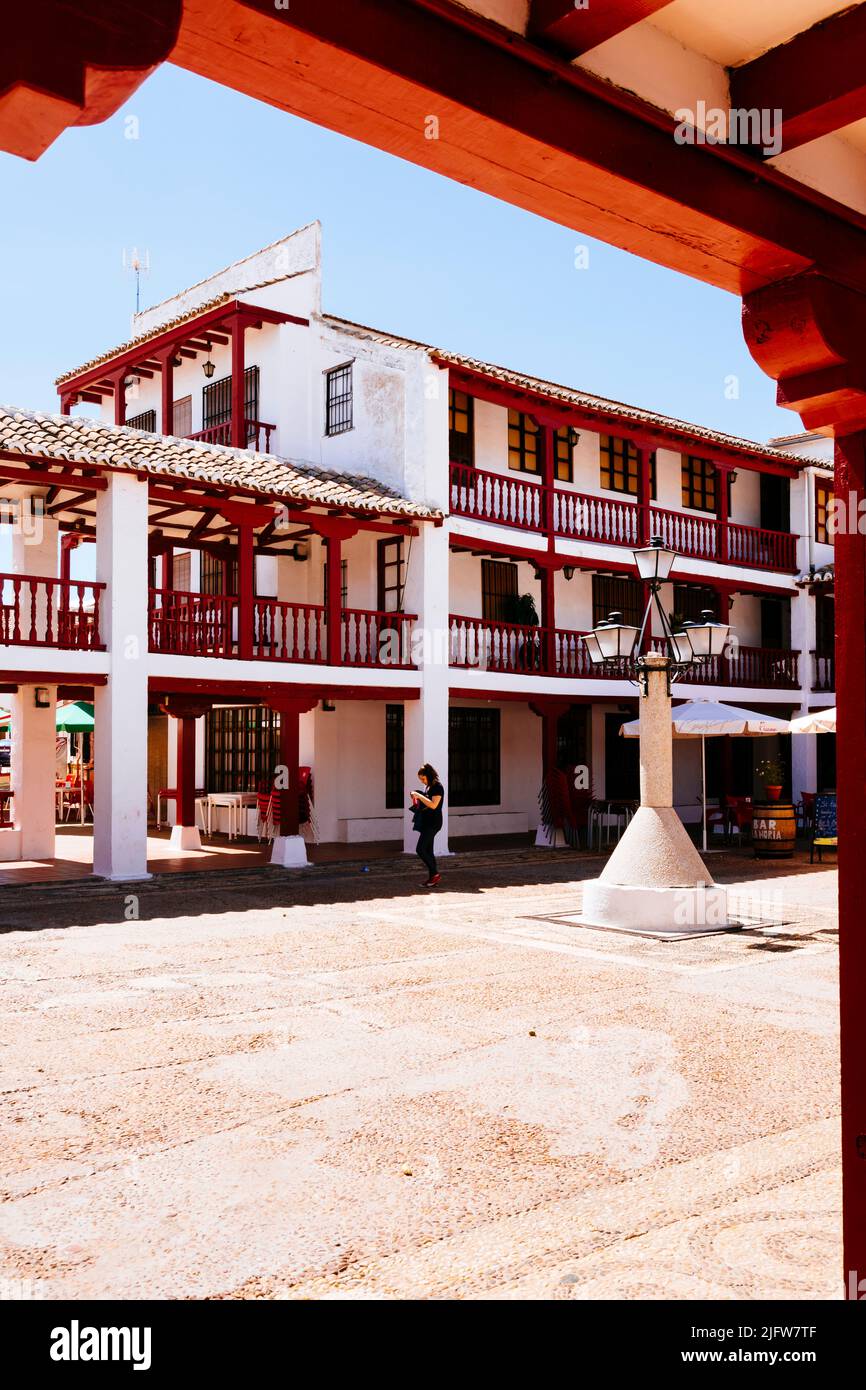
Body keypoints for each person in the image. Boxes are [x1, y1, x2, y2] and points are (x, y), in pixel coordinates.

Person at [410, 763, 445, 887]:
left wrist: (419, 795)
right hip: (427, 822)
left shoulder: (438, 787)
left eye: (424, 779)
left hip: (434, 823)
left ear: (429, 776)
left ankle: (435, 874)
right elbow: (426, 802)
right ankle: (432, 878)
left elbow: (433, 805)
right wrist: (417, 795)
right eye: (421, 780)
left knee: (420, 849)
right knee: (428, 851)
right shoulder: (429, 787)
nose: (423, 782)